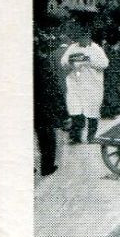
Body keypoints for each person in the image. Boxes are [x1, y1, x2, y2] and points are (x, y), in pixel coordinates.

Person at [60, 28, 109, 143]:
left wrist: (89, 60)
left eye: (84, 37)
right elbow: (63, 62)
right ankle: (75, 137)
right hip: (75, 84)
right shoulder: (72, 48)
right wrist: (71, 61)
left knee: (92, 111)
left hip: (92, 85)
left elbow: (104, 63)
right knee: (75, 110)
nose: (81, 40)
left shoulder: (96, 49)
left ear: (88, 37)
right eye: (79, 37)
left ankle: (91, 136)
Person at [34, 27, 66, 176]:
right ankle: (46, 167)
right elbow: (53, 87)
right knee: (47, 138)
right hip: (43, 105)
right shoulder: (43, 63)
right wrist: (63, 112)